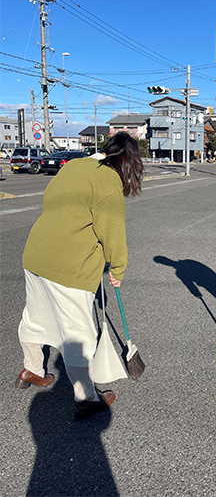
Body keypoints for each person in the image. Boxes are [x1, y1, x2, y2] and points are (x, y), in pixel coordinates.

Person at [16, 131, 144, 418]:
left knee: (34, 316)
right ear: (127, 163)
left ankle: (32, 369)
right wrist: (118, 269)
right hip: (68, 265)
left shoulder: (74, 165)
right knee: (79, 334)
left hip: (35, 254)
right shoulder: (108, 181)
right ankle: (86, 397)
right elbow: (112, 232)